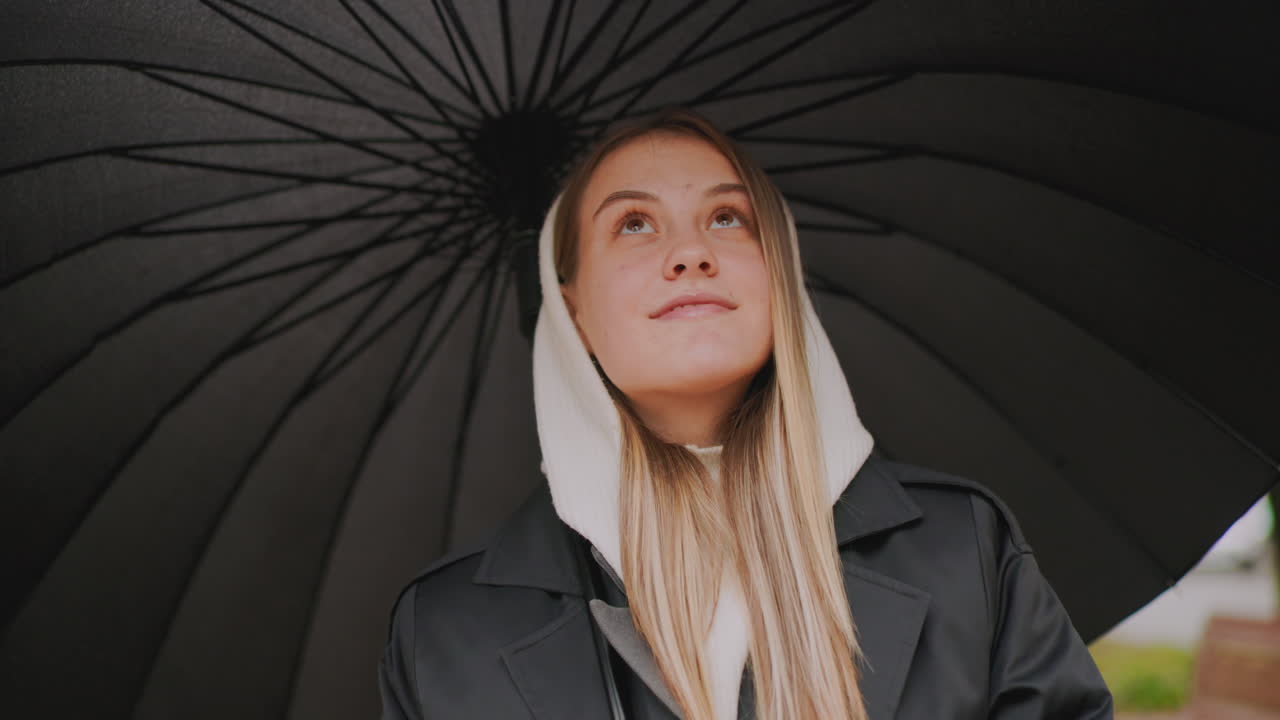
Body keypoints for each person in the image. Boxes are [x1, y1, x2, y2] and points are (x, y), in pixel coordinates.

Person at [377, 106, 1114, 720]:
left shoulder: (967, 549)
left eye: (728, 217)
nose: (691, 251)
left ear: (780, 269)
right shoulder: (443, 630)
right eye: (633, 224)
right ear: (570, 309)